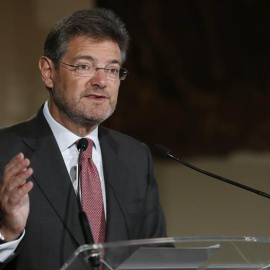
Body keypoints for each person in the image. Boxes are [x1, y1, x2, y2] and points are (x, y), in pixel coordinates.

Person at [0, 7, 167, 270]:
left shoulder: (135, 157)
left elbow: (160, 257)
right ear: (48, 72)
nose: (101, 81)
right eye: (84, 66)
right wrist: (7, 233)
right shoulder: (4, 152)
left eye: (112, 70)